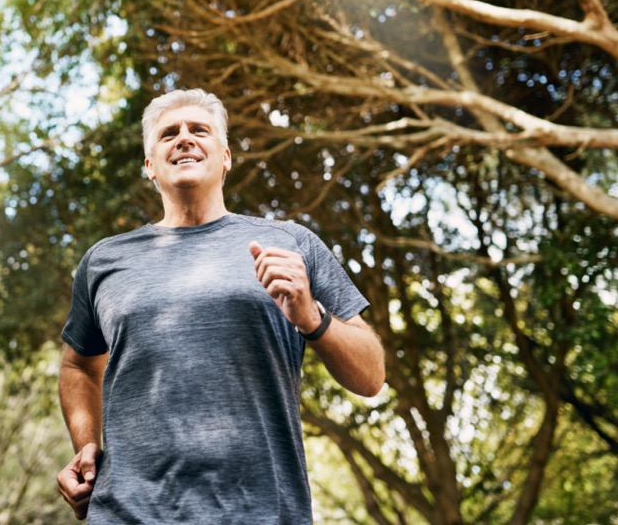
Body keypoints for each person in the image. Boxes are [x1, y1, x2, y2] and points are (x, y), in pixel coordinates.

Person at [56, 89, 385, 523]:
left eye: (199, 130)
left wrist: (311, 317)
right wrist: (86, 446)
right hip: (130, 512)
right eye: (169, 133)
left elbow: (372, 376)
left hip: (263, 511)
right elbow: (78, 366)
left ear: (226, 157)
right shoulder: (103, 261)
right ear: (150, 165)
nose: (184, 139)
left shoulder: (292, 243)